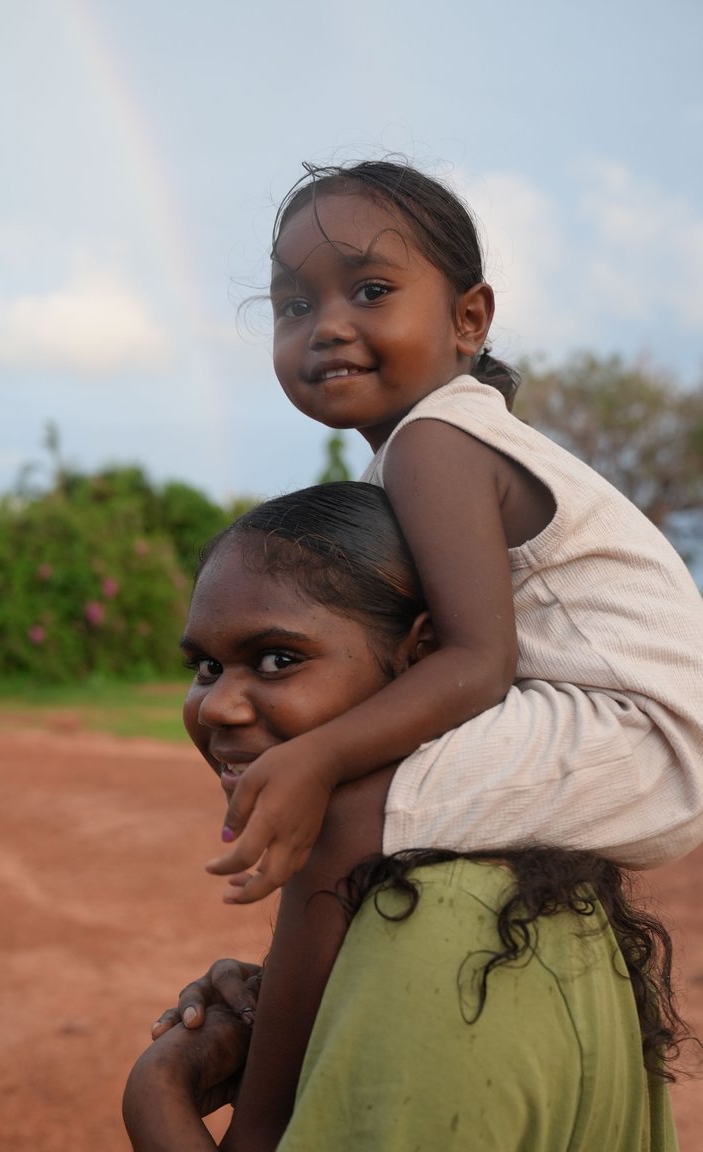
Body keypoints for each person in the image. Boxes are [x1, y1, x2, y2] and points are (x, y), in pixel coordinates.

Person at [123, 482, 686, 1152]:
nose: (217, 708)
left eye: (276, 660)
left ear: (422, 659)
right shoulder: (502, 894)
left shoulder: (447, 945)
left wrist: (158, 1098)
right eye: (206, 666)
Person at [205, 159, 703, 905]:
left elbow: (479, 660)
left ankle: (280, 1027)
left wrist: (320, 757)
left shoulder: (436, 441)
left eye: (371, 291)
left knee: (341, 818)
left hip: (642, 734)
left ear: (468, 319)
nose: (328, 326)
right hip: (612, 724)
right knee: (368, 797)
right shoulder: (424, 449)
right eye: (294, 305)